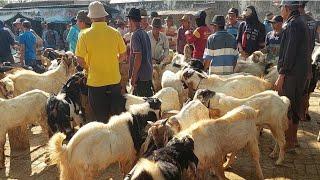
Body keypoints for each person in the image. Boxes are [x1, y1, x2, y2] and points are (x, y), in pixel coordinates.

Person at [76, 1, 126, 122]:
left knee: (100, 118)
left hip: (95, 83)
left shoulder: (84, 35)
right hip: (114, 81)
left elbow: (79, 60)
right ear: (104, 16)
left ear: (91, 17)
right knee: (116, 118)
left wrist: (89, 68)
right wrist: (113, 63)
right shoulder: (115, 33)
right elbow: (123, 55)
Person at [275, 0, 311, 151]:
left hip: (292, 74)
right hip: (300, 73)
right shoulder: (302, 22)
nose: (280, 11)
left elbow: (289, 53)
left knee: (288, 106)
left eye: (281, 8)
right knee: (295, 105)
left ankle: (288, 143)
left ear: (287, 8)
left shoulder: (292, 25)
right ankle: (293, 140)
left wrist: (281, 74)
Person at [127, 8, 153, 97]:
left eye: (128, 21)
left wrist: (133, 77)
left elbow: (138, 57)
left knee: (141, 106)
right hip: (147, 74)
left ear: (131, 21)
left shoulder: (135, 35)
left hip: (140, 76)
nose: (128, 24)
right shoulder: (144, 33)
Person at [298, 1, 317, 122]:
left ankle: (299, 112)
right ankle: (304, 112)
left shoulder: (296, 21)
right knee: (307, 90)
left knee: (299, 90)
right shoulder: (314, 22)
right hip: (310, 60)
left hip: (298, 61)